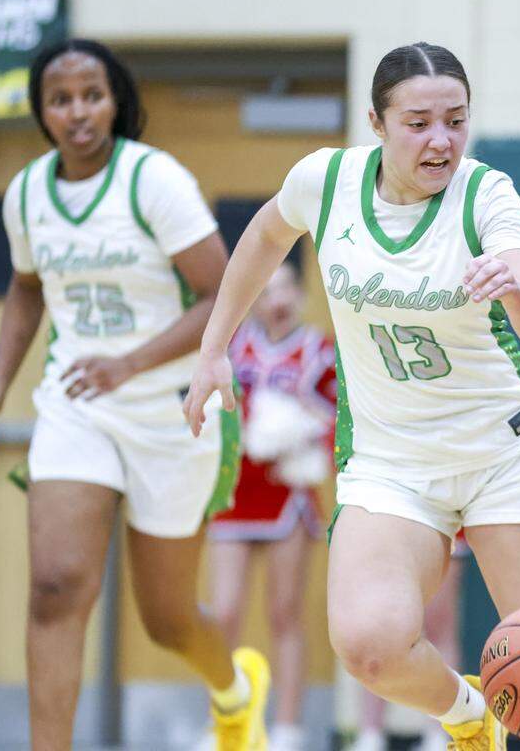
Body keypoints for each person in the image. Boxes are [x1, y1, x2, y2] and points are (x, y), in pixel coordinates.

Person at [183, 42, 520, 751]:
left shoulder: (486, 194)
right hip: (392, 463)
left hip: (499, 455)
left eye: (456, 120)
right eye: (418, 123)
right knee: (369, 647)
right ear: (377, 124)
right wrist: (213, 349)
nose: (441, 140)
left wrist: (513, 291)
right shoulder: (325, 180)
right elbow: (265, 235)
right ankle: (468, 714)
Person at [0, 39, 269, 751]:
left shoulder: (153, 179)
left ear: (115, 101)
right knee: (55, 587)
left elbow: (223, 294)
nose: (77, 112)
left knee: (167, 620)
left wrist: (129, 363)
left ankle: (235, 694)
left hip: (173, 411)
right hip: (79, 404)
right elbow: (26, 288)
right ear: (41, 111)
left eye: (91, 96)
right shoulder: (27, 193)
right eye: (60, 99)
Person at [205, 261, 337, 751]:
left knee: (285, 613)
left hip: (288, 494)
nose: (277, 301)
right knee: (222, 614)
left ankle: (287, 729)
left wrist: (300, 427)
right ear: (254, 299)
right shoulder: (231, 347)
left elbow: (339, 419)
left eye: (286, 290)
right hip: (236, 491)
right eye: (267, 291)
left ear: (300, 295)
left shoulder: (320, 351)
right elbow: (211, 410)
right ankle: (222, 726)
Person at [348, 539, 467, 751]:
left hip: (444, 527)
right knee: (378, 623)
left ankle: (438, 736)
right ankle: (370, 735)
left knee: (439, 624)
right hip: (388, 526)